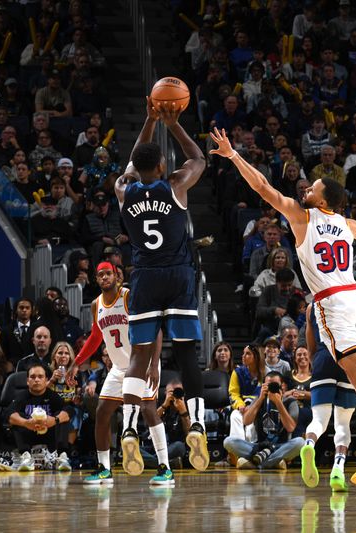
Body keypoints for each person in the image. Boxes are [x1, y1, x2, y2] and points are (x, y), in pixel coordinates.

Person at [210, 126, 356, 483]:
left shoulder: (303, 216)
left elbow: (263, 189)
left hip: (333, 302)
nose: (305, 190)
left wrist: (233, 155)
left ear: (323, 200)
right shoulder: (346, 222)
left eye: (312, 188)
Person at [115, 99, 208, 477]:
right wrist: (172, 124)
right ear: (163, 167)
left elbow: (129, 166)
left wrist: (150, 121)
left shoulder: (125, 189)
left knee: (139, 354)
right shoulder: (176, 185)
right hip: (178, 275)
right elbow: (199, 159)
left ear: (138, 170)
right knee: (187, 353)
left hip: (144, 277)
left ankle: (128, 428)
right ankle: (198, 425)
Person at [67, 263, 175, 485]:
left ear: (117, 277)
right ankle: (104, 468)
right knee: (102, 411)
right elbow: (96, 336)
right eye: (100, 275)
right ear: (96, 279)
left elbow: (156, 329)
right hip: (118, 368)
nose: (105, 278)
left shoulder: (129, 297)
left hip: (143, 364)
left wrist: (155, 365)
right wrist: (77, 362)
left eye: (109, 274)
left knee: (148, 409)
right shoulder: (96, 304)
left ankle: (165, 468)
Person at [299, 304, 356, 491]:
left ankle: (309, 444)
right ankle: (337, 470)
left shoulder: (311, 306)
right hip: (347, 356)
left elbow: (310, 345)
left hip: (323, 357)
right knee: (342, 423)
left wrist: (317, 361)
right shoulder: (349, 297)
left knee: (319, 420)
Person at [222, 371, 304, 470]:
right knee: (228, 441)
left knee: (300, 442)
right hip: (258, 447)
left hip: (280, 447)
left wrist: (278, 402)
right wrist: (260, 398)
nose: (272, 388)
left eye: (275, 385)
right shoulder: (259, 399)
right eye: (268, 385)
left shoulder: (290, 401)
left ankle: (258, 464)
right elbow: (246, 421)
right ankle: (274, 462)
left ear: (283, 386)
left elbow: (290, 428)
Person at [7, 361, 73, 472]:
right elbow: (8, 414)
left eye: (40, 376)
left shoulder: (53, 396)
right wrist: (26, 423)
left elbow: (69, 410)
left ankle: (62, 457)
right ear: (28, 381)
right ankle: (26, 458)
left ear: (46, 380)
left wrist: (55, 420)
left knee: (61, 416)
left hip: (49, 434)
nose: (36, 379)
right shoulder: (21, 396)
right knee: (18, 417)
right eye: (32, 377)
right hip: (28, 435)